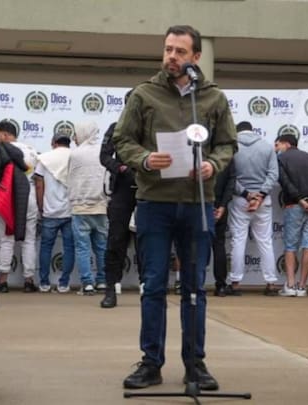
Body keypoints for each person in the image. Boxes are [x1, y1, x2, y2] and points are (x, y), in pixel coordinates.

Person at [113, 25, 237, 391]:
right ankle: (151, 362)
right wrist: (145, 159)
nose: (172, 56)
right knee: (153, 285)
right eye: (168, 49)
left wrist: (214, 163)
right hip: (155, 203)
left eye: (180, 51)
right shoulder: (144, 95)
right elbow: (122, 140)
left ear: (196, 57)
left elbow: (228, 144)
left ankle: (195, 364)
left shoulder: (213, 98)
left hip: (198, 202)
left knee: (195, 287)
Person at [225, 121, 280, 296]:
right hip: (263, 201)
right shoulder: (266, 147)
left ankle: (235, 283)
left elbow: (230, 177)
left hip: (240, 200)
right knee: (265, 241)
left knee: (238, 240)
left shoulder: (232, 148)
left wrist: (247, 194)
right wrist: (260, 195)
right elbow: (273, 174)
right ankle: (271, 283)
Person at [0, 120, 39, 293]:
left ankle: (2, 281)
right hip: (29, 198)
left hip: (7, 199)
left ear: (5, 135)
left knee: (6, 240)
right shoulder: (31, 150)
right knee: (29, 240)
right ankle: (29, 281)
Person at [274, 134, 308, 297]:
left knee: (290, 246)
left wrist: (299, 199)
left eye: (278, 145)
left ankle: (290, 284)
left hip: (294, 205)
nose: (276, 148)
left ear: (286, 144)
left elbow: (285, 182)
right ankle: (302, 286)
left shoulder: (281, 160)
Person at [99, 117, 138, 308]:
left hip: (150, 189)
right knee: (115, 241)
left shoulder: (155, 125)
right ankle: (110, 289)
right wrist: (118, 167)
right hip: (122, 188)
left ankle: (152, 290)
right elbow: (104, 156)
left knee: (150, 242)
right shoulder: (116, 128)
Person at [67, 120, 108, 295]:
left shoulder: (76, 154)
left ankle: (87, 283)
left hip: (80, 208)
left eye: (76, 134)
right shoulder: (103, 152)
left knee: (82, 247)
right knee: (101, 247)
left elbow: (69, 178)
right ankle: (102, 281)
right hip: (101, 206)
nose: (74, 138)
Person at [35, 133, 75, 293]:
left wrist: (40, 206)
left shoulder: (44, 158)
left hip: (49, 210)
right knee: (69, 247)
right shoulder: (75, 157)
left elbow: (38, 185)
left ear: (53, 143)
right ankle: (64, 284)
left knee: (45, 247)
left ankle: (44, 283)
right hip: (70, 211)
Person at [212, 157, 235, 297]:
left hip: (199, 205)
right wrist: (222, 205)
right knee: (218, 245)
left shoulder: (197, 150)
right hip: (219, 204)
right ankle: (220, 285)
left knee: (196, 245)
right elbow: (231, 181)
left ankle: (194, 284)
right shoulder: (227, 156)